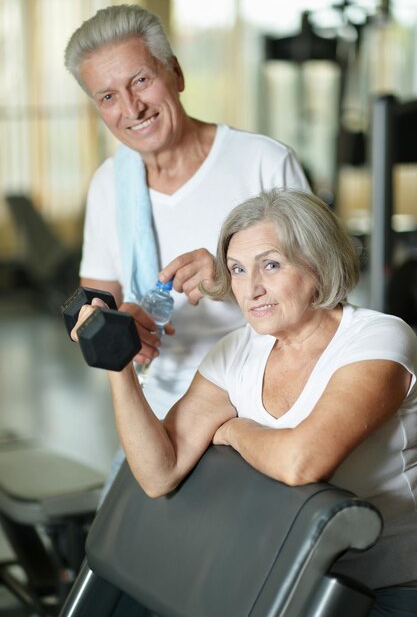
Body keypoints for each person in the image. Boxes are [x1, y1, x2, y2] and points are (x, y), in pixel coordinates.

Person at [73, 189, 417, 617]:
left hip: (389, 586)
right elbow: (158, 473)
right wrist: (117, 365)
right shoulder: (234, 352)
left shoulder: (377, 338)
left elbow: (302, 463)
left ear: (317, 263)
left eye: (270, 265)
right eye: (237, 269)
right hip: (285, 578)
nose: (250, 289)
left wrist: (233, 430)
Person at [64, 4, 310, 424]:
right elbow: (90, 310)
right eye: (108, 97)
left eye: (140, 80)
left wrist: (230, 278)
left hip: (266, 403)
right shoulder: (109, 184)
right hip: (161, 409)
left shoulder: (263, 163)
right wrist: (121, 327)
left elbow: (326, 296)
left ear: (176, 74)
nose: (131, 108)